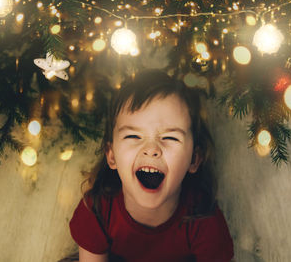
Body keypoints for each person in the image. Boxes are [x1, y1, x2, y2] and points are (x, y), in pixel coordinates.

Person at [69, 69, 234, 262]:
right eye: (133, 136)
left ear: (194, 159)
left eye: (170, 137)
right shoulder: (96, 211)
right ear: (111, 155)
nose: (151, 149)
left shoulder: (205, 221)